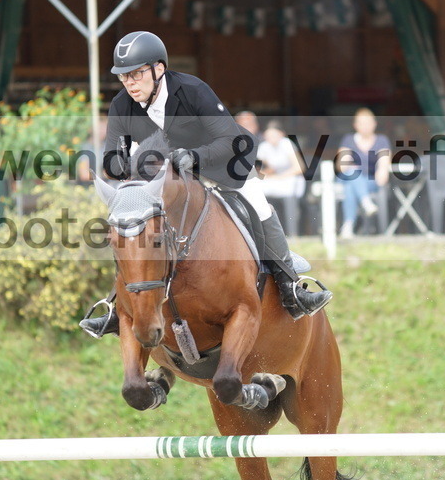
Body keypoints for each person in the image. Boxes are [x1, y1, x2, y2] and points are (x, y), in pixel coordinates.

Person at [80, 31, 331, 338]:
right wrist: (128, 162)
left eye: (136, 74)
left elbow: (230, 139)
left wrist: (194, 156)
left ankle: (290, 286)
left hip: (220, 164)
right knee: (128, 225)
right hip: (168, 180)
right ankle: (115, 306)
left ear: (158, 69)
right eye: (124, 77)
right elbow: (110, 160)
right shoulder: (122, 104)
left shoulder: (192, 90)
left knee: (258, 203)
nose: (129, 83)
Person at [336, 108, 390, 239]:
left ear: (374, 124)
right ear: (355, 125)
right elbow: (341, 167)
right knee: (353, 173)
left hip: (369, 181)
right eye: (362, 123)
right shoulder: (348, 140)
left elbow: (383, 166)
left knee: (350, 187)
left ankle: (348, 226)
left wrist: (382, 171)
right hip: (347, 177)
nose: (365, 126)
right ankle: (366, 202)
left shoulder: (382, 141)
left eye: (368, 123)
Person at [257, 120, 306, 237]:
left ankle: (292, 233)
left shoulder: (287, 144)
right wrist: (264, 174)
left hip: (291, 179)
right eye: (268, 135)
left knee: (288, 188)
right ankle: (264, 232)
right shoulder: (264, 146)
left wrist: (279, 177)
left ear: (281, 134)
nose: (271, 138)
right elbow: (266, 169)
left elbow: (299, 168)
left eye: (273, 135)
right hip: (274, 180)